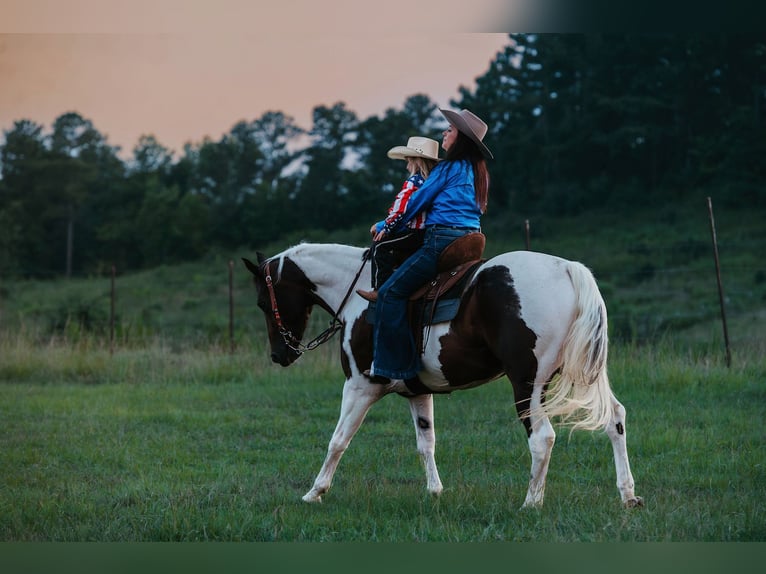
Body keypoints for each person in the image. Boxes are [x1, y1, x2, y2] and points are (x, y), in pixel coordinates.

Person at [366, 108, 493, 384]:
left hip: (443, 240)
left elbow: (416, 203)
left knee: (390, 292)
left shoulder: (447, 168)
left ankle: (395, 368)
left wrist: (386, 226)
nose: (444, 134)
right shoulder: (479, 172)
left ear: (460, 139)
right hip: (471, 241)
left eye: (450, 130)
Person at [357, 136, 441, 302]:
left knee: (381, 247)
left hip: (415, 231)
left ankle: (379, 289)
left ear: (416, 161)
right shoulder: (431, 182)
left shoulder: (413, 182)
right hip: (427, 231)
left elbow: (400, 209)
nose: (407, 164)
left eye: (408, 160)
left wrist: (386, 228)